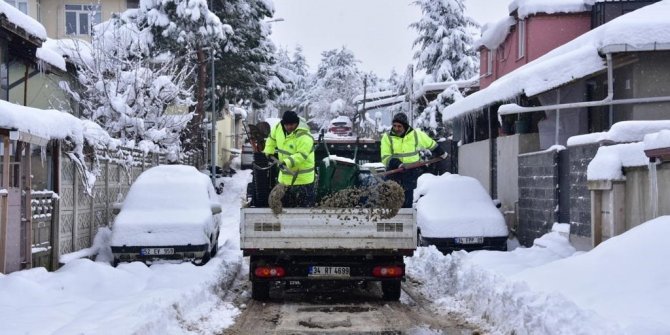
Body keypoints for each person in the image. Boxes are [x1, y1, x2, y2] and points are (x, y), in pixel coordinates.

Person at [381, 112, 447, 208]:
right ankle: (394, 222)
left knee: (407, 203)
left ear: (405, 126)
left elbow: (430, 143)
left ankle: (406, 222)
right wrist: (398, 164)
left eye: (399, 126)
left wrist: (441, 153)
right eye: (394, 126)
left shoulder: (416, 135)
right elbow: (385, 157)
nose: (396, 129)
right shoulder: (387, 137)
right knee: (393, 204)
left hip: (410, 174)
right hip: (394, 174)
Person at [263, 110, 316, 207]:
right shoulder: (278, 127)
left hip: (303, 181)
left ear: (297, 123)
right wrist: (269, 151)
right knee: (286, 209)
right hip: (285, 179)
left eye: (292, 124)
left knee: (304, 211)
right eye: (287, 125)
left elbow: (301, 155)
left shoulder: (304, 136)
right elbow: (271, 138)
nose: (289, 127)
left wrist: (287, 162)